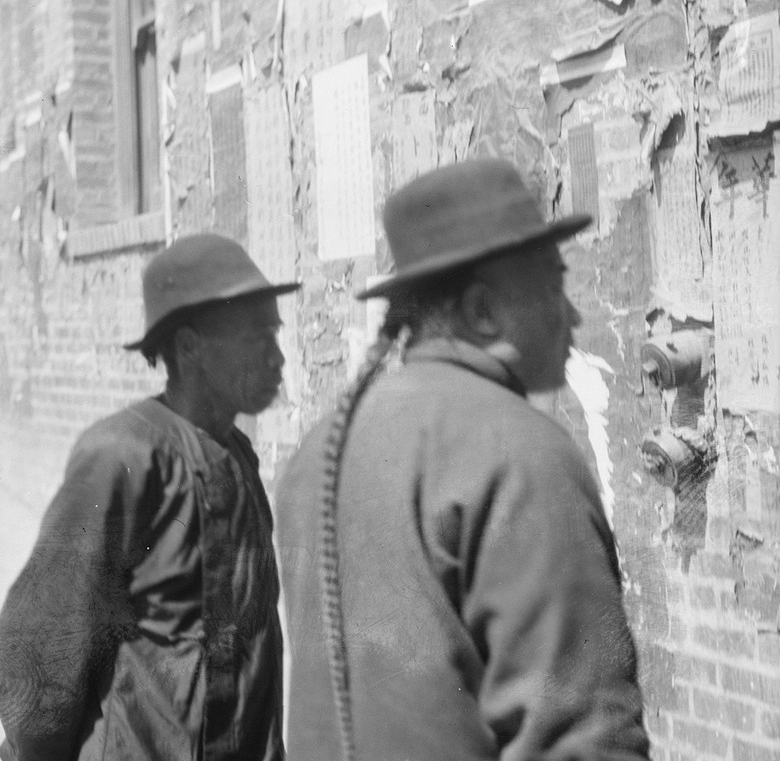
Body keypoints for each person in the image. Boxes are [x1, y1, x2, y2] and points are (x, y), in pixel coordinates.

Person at [276, 159, 650, 761]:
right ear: (481, 312)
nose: (573, 315)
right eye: (555, 284)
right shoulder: (523, 452)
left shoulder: (320, 447)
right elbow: (584, 739)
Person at [0, 233, 299, 761]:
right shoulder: (124, 453)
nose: (278, 359)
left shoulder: (239, 457)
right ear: (188, 347)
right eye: (258, 339)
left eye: (276, 337)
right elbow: (43, 641)